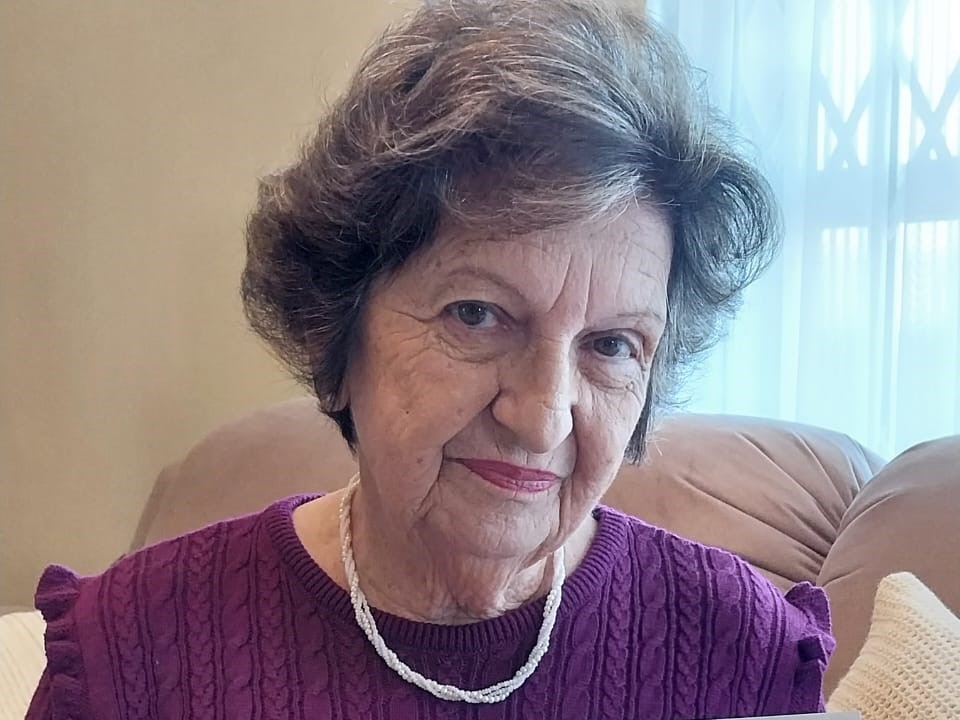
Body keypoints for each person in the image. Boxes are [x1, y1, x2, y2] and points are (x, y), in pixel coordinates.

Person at [27, 1, 835, 718]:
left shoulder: (742, 655)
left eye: (612, 345)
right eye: (477, 314)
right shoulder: (130, 656)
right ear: (336, 331)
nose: (542, 417)